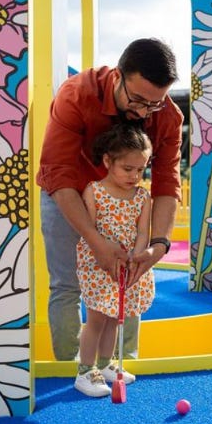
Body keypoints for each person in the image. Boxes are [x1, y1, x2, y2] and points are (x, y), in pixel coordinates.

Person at [37, 38, 182, 369]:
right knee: (67, 283)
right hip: (68, 193)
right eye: (138, 100)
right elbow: (58, 174)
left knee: (129, 278)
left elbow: (165, 183)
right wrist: (95, 240)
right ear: (118, 75)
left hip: (123, 200)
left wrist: (158, 245)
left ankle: (119, 364)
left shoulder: (168, 116)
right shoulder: (76, 94)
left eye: (155, 103)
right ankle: (70, 369)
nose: (144, 111)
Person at [74, 125, 155, 397]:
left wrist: (138, 255)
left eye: (140, 170)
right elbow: (90, 230)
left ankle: (105, 363)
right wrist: (107, 255)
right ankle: (84, 371)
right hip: (98, 265)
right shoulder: (94, 191)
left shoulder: (143, 196)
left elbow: (143, 232)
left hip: (127, 266)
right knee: (97, 318)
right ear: (108, 161)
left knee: (113, 318)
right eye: (127, 169)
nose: (134, 176)